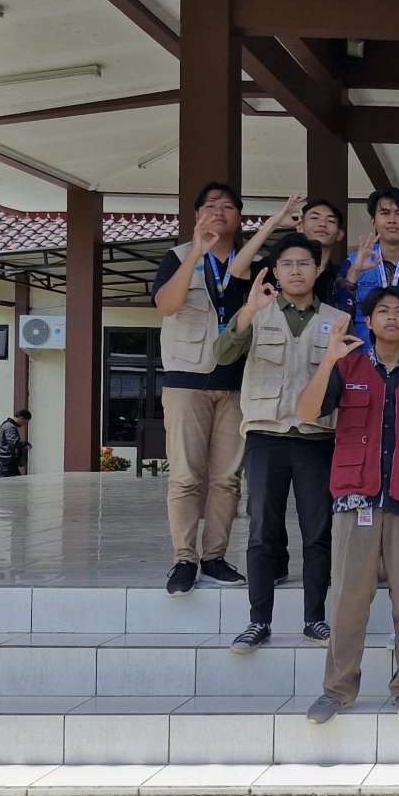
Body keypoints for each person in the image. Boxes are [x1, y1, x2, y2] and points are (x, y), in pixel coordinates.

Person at [301, 286, 399, 723]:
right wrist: (328, 358)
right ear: (368, 321)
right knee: (350, 598)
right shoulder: (346, 366)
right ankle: (337, 689)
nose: (391, 317)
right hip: (355, 499)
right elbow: (307, 412)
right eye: (382, 311)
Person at [212, 234, 350, 655]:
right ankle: (259, 620)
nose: (295, 270)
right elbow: (221, 355)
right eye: (287, 263)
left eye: (304, 263)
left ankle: (315, 618)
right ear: (276, 270)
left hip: (317, 438)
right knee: (261, 531)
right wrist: (248, 311)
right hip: (265, 436)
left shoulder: (338, 317)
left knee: (318, 532)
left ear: (317, 269)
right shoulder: (258, 311)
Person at [152, 181, 251, 596]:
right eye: (210, 205)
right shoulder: (175, 257)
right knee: (186, 476)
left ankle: (214, 556)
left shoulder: (252, 261)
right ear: (197, 215)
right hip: (186, 382)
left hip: (236, 384)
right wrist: (196, 250)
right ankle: (183, 558)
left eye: (228, 206)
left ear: (239, 218)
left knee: (227, 478)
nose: (219, 212)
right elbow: (166, 305)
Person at [337, 188, 399, 341]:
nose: (392, 220)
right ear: (373, 222)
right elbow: (337, 312)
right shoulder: (353, 262)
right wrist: (354, 272)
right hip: (362, 353)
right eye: (384, 213)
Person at [0, 410, 30, 478]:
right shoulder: (10, 427)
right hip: (6, 463)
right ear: (21, 418)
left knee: (13, 485)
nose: (23, 425)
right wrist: (25, 444)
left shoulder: (6, 425)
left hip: (6, 462)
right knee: (9, 486)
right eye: (25, 422)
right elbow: (13, 442)